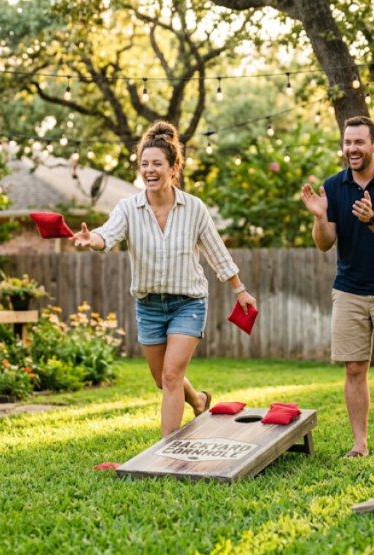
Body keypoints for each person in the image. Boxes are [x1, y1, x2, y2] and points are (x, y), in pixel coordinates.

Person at [73, 121, 256, 438]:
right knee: (162, 378)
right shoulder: (128, 208)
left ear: (174, 168)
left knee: (172, 376)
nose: (149, 170)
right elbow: (108, 233)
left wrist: (239, 290)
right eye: (144, 164)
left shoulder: (193, 208)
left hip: (188, 303)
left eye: (157, 163)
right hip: (149, 306)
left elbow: (217, 252)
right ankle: (198, 400)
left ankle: (168, 451)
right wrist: (94, 240)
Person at [300, 116, 374, 459]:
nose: (351, 148)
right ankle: (359, 444)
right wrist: (320, 217)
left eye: (359, 142)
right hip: (349, 288)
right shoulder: (334, 185)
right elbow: (325, 244)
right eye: (347, 142)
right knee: (354, 368)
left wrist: (370, 218)